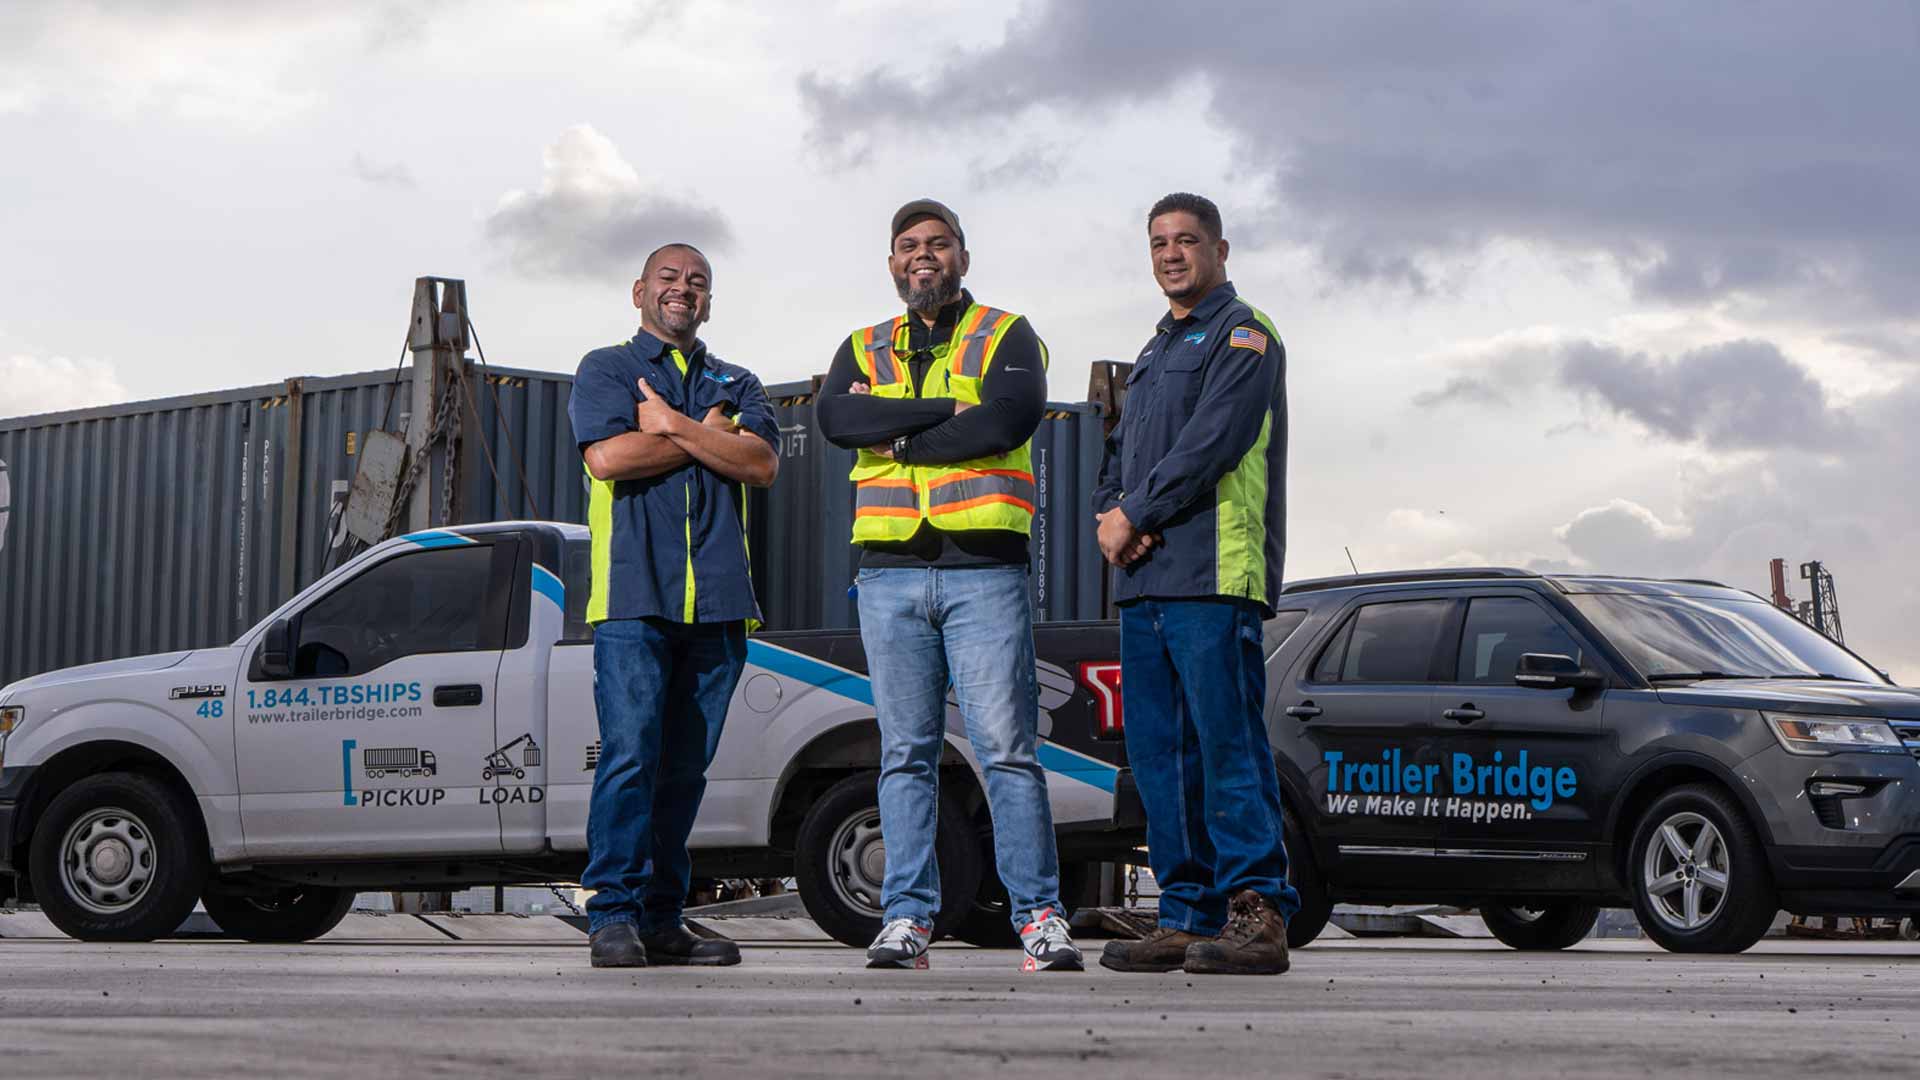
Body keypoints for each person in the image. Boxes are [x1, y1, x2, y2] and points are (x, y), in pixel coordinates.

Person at [815, 199, 1082, 972]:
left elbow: (1006, 420)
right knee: (904, 753)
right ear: (892, 262)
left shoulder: (1006, 333)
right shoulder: (861, 344)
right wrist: (938, 413)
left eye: (937, 244)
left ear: (962, 257)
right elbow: (835, 420)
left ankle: (1039, 918)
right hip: (891, 576)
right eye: (907, 245)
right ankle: (906, 918)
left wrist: (891, 429)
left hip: (984, 575)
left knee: (1006, 750)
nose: (922, 256)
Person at [1092, 193, 1299, 976]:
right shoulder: (1153, 352)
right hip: (1146, 580)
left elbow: (1215, 439)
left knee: (1226, 746)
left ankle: (1258, 913)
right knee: (1161, 756)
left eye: (1186, 241)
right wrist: (1112, 512)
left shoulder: (1244, 334)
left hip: (1214, 574)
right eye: (1158, 244)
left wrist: (1134, 511)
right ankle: (1187, 913)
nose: (1171, 254)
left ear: (1220, 248)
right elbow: (1118, 456)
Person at [567, 243, 781, 968]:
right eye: (669, 278)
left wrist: (670, 426)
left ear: (709, 301)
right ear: (638, 292)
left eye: (697, 282)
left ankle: (663, 918)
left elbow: (760, 464)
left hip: (718, 605)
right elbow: (609, 460)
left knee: (685, 769)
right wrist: (709, 437)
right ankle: (614, 914)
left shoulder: (739, 380)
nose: (682, 289)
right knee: (631, 756)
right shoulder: (605, 369)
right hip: (633, 599)